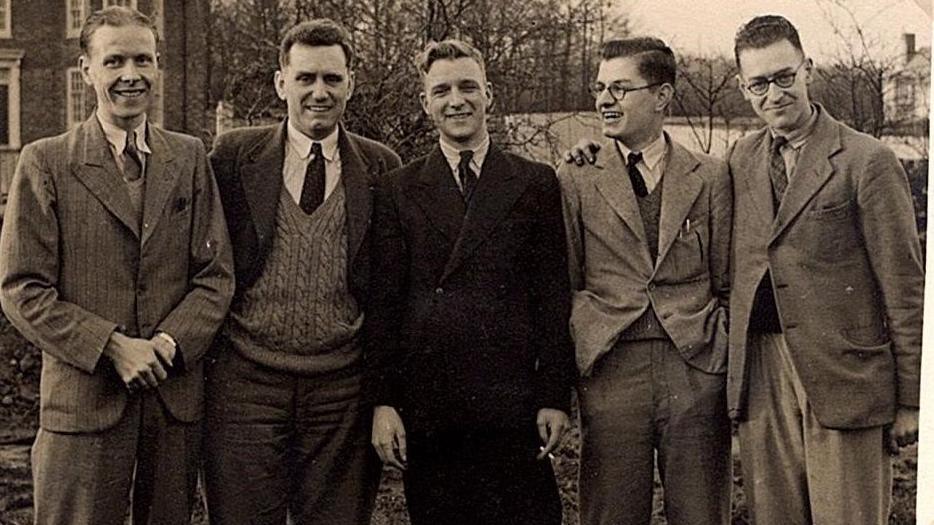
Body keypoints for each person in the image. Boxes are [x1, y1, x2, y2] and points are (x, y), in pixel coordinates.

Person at [0, 6, 234, 524]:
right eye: (114, 61)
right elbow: (23, 289)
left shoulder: (190, 157)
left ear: (157, 68)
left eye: (143, 60)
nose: (131, 74)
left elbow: (214, 277)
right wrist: (111, 346)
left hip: (171, 408)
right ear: (87, 69)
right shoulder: (45, 162)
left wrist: (167, 346)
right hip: (83, 408)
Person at [366, 39, 575, 525]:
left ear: (490, 95)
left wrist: (553, 396)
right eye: (441, 90)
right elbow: (385, 303)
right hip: (432, 409)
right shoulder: (398, 188)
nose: (455, 100)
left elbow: (552, 299)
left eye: (467, 87)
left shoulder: (534, 182)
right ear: (425, 102)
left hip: (512, 406)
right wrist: (383, 401)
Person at [202, 18, 402, 525]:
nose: (319, 92)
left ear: (350, 85)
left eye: (332, 79)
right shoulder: (231, 157)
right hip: (246, 386)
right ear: (280, 82)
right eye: (306, 78)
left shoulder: (381, 169)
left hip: (341, 393)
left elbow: (391, 291)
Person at [725, 15, 922, 524]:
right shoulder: (739, 159)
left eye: (785, 76)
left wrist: (912, 401)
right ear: (744, 89)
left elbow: (905, 288)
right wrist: (593, 153)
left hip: (845, 374)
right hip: (762, 375)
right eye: (760, 84)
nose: (775, 94)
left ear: (808, 69)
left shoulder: (868, 160)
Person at [558, 37, 731, 525]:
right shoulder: (576, 176)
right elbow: (569, 276)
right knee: (610, 513)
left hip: (694, 367)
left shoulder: (711, 176)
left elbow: (725, 279)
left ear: (662, 95)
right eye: (599, 88)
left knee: (701, 513)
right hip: (613, 370)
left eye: (620, 88)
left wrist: (714, 352)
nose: (604, 100)